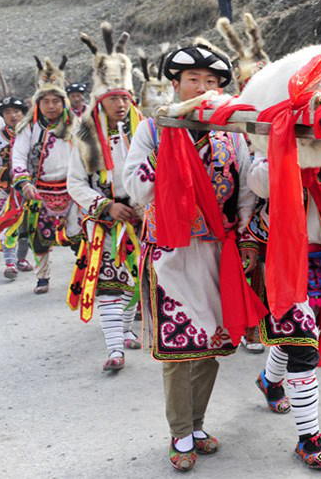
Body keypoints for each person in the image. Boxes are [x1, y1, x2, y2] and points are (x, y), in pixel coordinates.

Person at [123, 45, 262, 472]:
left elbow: (245, 190)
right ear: (176, 86)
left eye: (211, 83)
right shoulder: (154, 130)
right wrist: (172, 152)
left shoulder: (233, 133)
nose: (203, 89)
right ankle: (180, 430)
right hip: (171, 252)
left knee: (210, 345)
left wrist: (247, 239)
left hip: (218, 249)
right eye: (193, 81)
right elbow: (135, 186)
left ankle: (197, 422)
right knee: (179, 347)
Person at [248, 155, 321, 469]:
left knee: (300, 339)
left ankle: (269, 381)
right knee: (302, 347)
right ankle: (309, 438)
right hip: (281, 258)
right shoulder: (272, 141)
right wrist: (289, 160)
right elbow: (256, 182)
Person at [66, 41, 143, 372]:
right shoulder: (85, 136)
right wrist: (105, 206)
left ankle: (125, 328)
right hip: (106, 221)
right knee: (109, 283)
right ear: (100, 100)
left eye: (124, 97)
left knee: (137, 281)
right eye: (113, 98)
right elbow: (75, 183)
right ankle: (115, 349)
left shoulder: (144, 129)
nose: (120, 104)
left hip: (142, 218)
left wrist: (144, 204)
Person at [11, 62, 79, 294]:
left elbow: (89, 154)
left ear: (64, 102)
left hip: (73, 188)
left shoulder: (76, 125)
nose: (51, 106)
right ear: (38, 103)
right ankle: (42, 277)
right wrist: (24, 181)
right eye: (46, 101)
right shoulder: (29, 127)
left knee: (80, 234)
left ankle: (84, 274)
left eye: (56, 101)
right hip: (40, 189)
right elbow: (18, 156)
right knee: (40, 237)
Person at [0, 96, 31, 279]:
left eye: (16, 111)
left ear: (22, 114)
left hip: (28, 186)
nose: (12, 115)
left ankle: (21, 259)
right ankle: (9, 262)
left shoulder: (31, 134)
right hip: (4, 188)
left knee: (26, 226)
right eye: (7, 112)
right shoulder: (0, 137)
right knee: (10, 222)